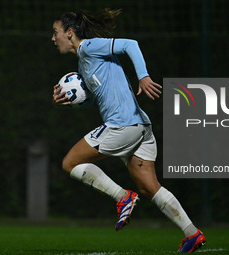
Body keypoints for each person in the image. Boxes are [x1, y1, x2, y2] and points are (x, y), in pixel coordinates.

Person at [51, 8, 206, 253]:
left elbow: (130, 44)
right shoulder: (84, 61)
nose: (53, 38)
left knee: (70, 163)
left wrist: (143, 76)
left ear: (70, 33)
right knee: (148, 187)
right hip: (140, 126)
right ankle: (192, 233)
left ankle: (123, 197)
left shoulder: (90, 46)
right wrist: (71, 99)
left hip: (122, 125)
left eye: (55, 32)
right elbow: (94, 96)